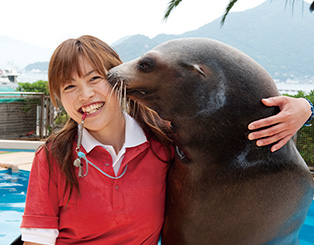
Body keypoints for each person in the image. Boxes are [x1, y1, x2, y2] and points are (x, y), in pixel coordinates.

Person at [20, 35, 312, 245]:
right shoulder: (53, 157)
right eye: (69, 87)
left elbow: (235, 126)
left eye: (95, 79)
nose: (84, 95)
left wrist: (304, 108)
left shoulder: (161, 144)